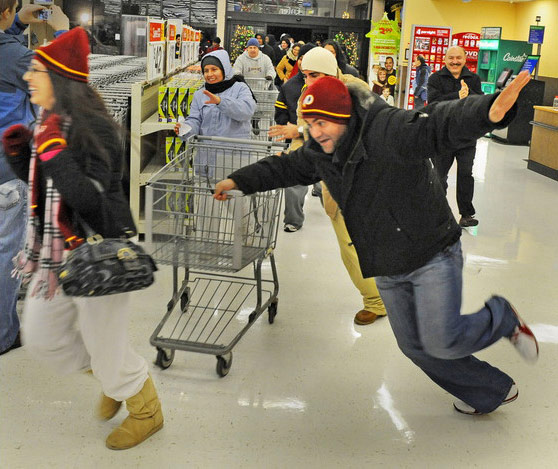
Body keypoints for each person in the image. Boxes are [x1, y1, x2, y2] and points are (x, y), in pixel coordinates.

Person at [215, 72, 538, 416]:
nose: (316, 131)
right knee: (414, 346)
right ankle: (489, 391)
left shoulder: (388, 128)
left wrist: (490, 110)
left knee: (442, 339)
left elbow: (438, 124)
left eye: (322, 122)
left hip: (431, 251)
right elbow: (284, 169)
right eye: (310, 123)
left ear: (344, 117)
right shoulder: (320, 150)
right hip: (386, 262)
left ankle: (500, 317)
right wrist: (239, 181)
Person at [1, 27, 163, 449]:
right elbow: (50, 192)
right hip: (52, 261)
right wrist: (23, 158)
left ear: (57, 79)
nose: (28, 78)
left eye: (36, 71)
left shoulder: (95, 128)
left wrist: (51, 153)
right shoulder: (45, 124)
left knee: (105, 345)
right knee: (43, 340)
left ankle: (145, 407)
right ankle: (116, 378)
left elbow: (89, 202)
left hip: (99, 259)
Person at [269, 46, 387, 326]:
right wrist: (292, 155)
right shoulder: (304, 99)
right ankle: (378, 298)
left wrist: (299, 131)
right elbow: (306, 140)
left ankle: (381, 298)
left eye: (316, 75)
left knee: (366, 239)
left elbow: (358, 126)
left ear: (332, 71)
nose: (310, 81)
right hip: (337, 182)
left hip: (368, 173)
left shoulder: (354, 88)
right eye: (306, 75)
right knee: (350, 244)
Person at [0, 1, 68, 356]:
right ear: (8, 9)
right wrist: (62, 30)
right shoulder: (18, 59)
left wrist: (14, 27)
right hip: (6, 176)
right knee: (4, 254)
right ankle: (3, 334)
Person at [427, 45, 483, 228]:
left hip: (467, 136)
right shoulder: (435, 78)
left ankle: (466, 214)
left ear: (465, 59)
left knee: (466, 174)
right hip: (442, 135)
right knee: (439, 175)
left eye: (458, 58)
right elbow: (433, 103)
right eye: (451, 58)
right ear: (445, 59)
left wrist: (469, 95)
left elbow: (479, 102)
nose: (455, 61)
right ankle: (437, 211)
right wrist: (457, 95)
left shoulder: (473, 79)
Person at [273, 43, 316, 233]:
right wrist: (287, 127)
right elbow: (280, 110)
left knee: (326, 186)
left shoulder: (331, 86)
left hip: (326, 142)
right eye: (300, 58)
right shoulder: (290, 86)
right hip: (298, 140)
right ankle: (293, 219)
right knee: (294, 181)